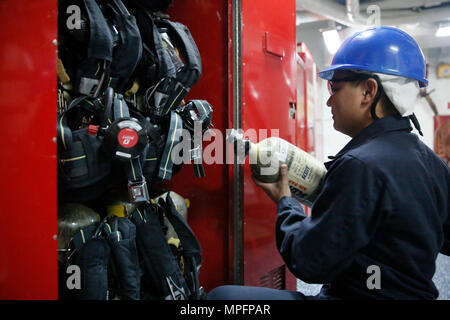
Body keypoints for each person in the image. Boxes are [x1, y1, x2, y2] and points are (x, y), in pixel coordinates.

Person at [207, 26, 450, 300]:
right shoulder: (431, 162)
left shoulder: (360, 165)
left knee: (222, 298)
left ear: (368, 91)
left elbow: (309, 262)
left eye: (335, 88)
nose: (328, 101)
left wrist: (286, 203)